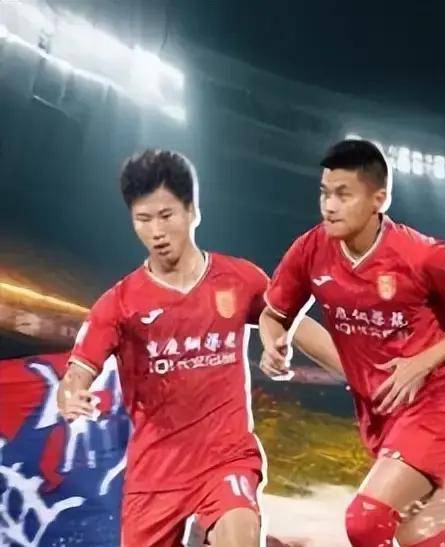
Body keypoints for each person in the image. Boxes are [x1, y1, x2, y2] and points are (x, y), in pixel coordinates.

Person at [58, 149, 336, 547]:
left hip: (225, 457)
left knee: (239, 532)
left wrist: (361, 375)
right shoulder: (118, 305)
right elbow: (78, 372)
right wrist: (71, 395)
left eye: (166, 215)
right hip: (156, 474)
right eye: (143, 219)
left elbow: (293, 321)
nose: (156, 231)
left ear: (192, 211)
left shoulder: (238, 279)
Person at [258, 139, 445, 547]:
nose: (329, 206)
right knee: (424, 540)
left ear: (379, 199)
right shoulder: (311, 250)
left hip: (436, 410)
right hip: (380, 419)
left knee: (366, 520)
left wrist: (423, 362)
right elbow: (274, 314)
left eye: (343, 195)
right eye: (325, 193)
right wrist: (274, 341)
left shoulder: (422, 254)